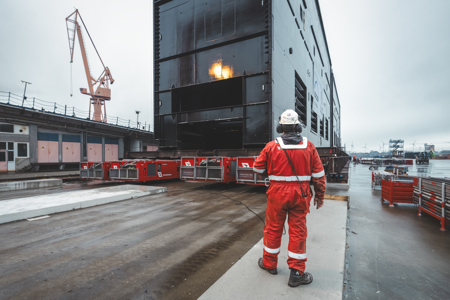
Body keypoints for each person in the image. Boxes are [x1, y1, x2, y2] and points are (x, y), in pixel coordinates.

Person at [253, 109, 326, 287]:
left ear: (281, 127)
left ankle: (269, 264)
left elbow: (257, 168)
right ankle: (296, 273)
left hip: (277, 194)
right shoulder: (309, 147)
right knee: (298, 231)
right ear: (298, 126)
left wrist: (270, 173)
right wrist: (320, 195)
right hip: (301, 195)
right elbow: (318, 174)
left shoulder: (271, 146)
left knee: (272, 228)